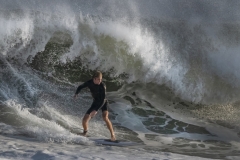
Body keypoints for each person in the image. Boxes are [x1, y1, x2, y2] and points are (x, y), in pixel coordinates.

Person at [74, 71, 116, 141]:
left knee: (105, 117)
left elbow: (103, 99)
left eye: (101, 79)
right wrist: (76, 93)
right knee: (84, 120)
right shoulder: (89, 82)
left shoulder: (102, 86)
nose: (100, 81)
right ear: (94, 79)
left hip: (103, 102)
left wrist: (96, 110)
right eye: (99, 79)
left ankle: (112, 135)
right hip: (95, 102)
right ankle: (85, 132)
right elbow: (80, 86)